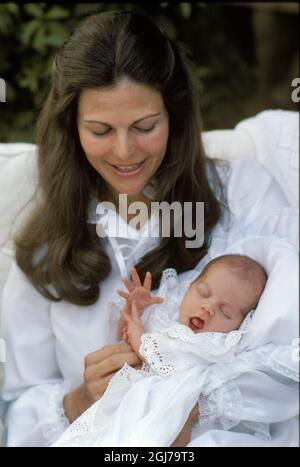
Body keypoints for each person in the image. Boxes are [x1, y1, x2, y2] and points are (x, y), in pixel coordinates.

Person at [0, 10, 298, 447]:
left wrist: (194, 401)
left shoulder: (245, 192)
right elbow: (16, 406)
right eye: (101, 130)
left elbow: (291, 348)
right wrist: (79, 401)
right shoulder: (49, 243)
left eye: (145, 127)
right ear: (72, 128)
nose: (125, 152)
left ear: (174, 116)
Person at [52, 255, 268, 446]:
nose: (208, 307)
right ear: (188, 288)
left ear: (240, 326)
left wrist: (138, 335)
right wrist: (136, 312)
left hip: (157, 416)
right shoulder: (167, 318)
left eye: (226, 312)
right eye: (202, 293)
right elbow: (124, 344)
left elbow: (159, 357)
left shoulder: (209, 347)